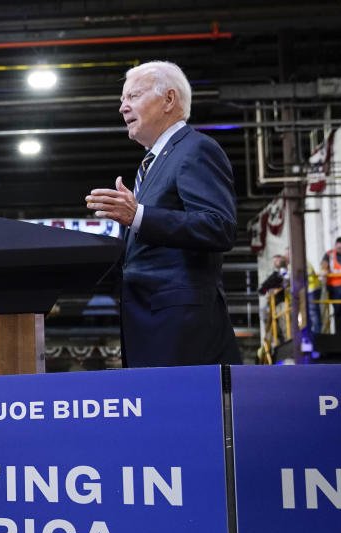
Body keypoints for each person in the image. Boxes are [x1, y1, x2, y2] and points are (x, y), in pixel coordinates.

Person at [85, 60, 240, 367]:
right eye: (122, 100)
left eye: (133, 97)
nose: (123, 108)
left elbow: (219, 226)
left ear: (169, 99)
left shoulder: (195, 149)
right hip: (150, 324)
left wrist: (139, 216)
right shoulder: (154, 162)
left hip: (181, 331)